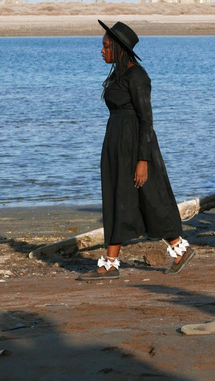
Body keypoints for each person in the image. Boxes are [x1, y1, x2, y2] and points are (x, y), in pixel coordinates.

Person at [78, 21, 195, 281]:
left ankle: (178, 249)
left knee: (151, 199)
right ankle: (110, 262)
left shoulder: (137, 76)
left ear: (118, 48)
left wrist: (143, 160)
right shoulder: (118, 75)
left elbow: (146, 119)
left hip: (137, 146)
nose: (101, 50)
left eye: (106, 46)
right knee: (117, 199)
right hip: (116, 145)